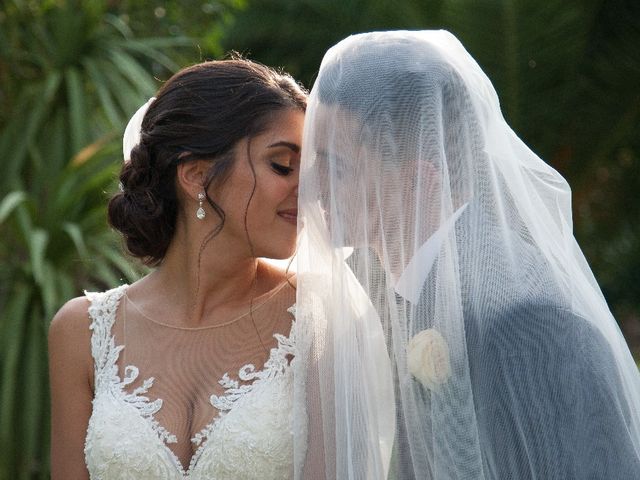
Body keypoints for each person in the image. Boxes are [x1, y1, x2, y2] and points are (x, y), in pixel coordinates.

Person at [294, 30, 640, 479]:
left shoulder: (519, 316)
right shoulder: (397, 296)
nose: (309, 187)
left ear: (420, 179)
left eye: (334, 166)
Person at [48, 57, 307, 479]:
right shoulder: (81, 332)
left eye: (310, 169)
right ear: (197, 176)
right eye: (282, 165)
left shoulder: (318, 319)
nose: (307, 187)